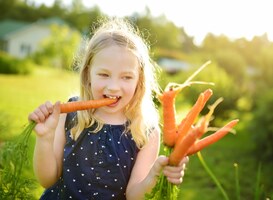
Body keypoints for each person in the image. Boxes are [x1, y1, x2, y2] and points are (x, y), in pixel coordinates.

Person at [28, 17, 189, 200]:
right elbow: (47, 180)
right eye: (104, 74)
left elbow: (133, 195)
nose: (113, 87)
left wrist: (154, 175)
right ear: (88, 74)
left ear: (139, 81)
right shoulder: (70, 114)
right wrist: (45, 138)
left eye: (126, 77)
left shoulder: (146, 131)